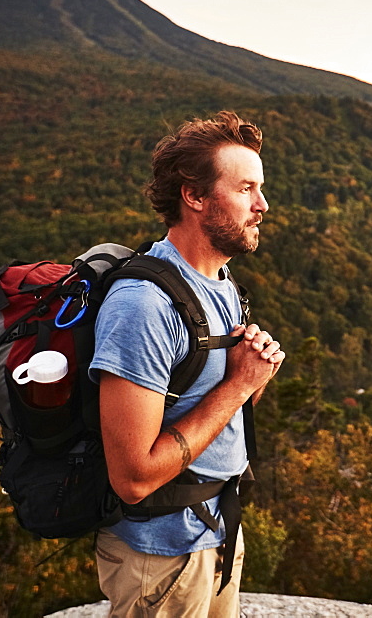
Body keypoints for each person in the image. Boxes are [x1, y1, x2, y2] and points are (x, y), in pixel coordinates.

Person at [89, 111, 284, 617]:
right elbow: (132, 477)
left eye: (260, 189)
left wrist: (251, 374)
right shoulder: (143, 306)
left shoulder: (221, 285)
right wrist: (240, 386)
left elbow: (208, 398)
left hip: (217, 532)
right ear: (194, 196)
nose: (262, 206)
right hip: (162, 554)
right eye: (245, 189)